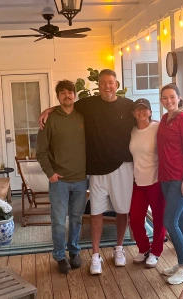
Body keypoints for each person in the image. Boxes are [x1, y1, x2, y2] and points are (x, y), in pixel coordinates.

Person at [38, 69, 135, 275]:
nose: (107, 86)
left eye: (111, 82)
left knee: (82, 217)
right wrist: (48, 110)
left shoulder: (121, 107)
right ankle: (74, 255)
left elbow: (143, 118)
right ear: (97, 86)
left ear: (116, 84)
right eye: (102, 83)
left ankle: (90, 251)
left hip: (94, 175)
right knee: (67, 219)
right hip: (75, 176)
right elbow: (43, 149)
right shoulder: (74, 110)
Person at [36, 80, 87, 274]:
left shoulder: (83, 117)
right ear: (58, 96)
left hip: (81, 179)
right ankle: (59, 255)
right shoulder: (50, 120)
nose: (67, 95)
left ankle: (74, 251)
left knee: (76, 219)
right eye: (62, 93)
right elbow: (40, 151)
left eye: (70, 92)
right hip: (60, 181)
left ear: (74, 95)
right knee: (58, 221)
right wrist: (50, 174)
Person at [157, 83, 183, 285]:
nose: (168, 101)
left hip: (180, 179)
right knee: (181, 222)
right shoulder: (164, 119)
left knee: (169, 222)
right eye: (164, 98)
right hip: (165, 177)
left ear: (179, 98)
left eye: (172, 97)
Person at [129, 98, 166, 268]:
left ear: (150, 112)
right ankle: (144, 249)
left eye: (145, 109)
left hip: (156, 180)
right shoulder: (132, 131)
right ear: (133, 113)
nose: (141, 112)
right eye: (138, 109)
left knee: (159, 219)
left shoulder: (157, 128)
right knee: (135, 219)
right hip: (138, 182)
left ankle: (156, 252)